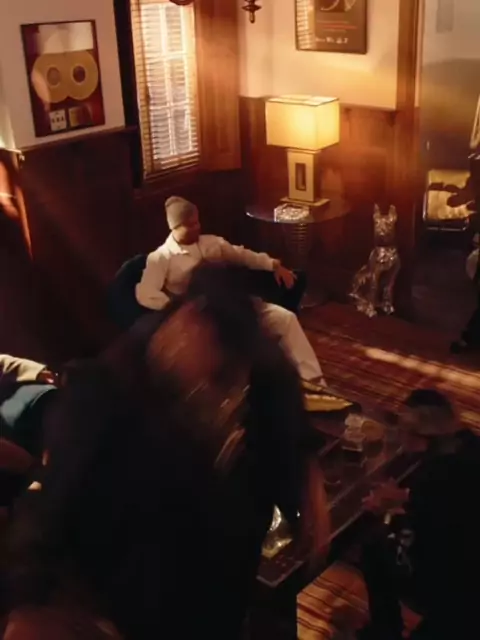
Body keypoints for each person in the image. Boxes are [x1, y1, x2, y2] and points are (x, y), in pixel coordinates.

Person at [5, 263, 330, 640]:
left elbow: (285, 411)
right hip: (127, 589)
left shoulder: (254, 362)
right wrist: (29, 601)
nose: (219, 390)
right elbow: (51, 508)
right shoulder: (104, 390)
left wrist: (305, 474)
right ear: (187, 316)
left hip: (218, 583)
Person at [135, 195, 325, 385]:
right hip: (202, 319)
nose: (197, 227)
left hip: (235, 302)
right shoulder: (161, 258)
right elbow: (146, 293)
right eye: (190, 224)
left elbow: (242, 255)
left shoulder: (212, 243)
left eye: (197, 222)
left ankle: (314, 382)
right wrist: (176, 307)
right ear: (174, 227)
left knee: (286, 319)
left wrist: (274, 265)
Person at [358, 389, 480, 639]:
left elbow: (425, 536)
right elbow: (451, 500)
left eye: (403, 429)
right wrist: (407, 497)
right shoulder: (469, 445)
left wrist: (385, 512)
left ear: (419, 437)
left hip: (458, 585)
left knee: (375, 545)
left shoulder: (433, 477)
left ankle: (385, 631)